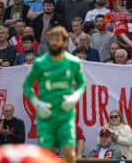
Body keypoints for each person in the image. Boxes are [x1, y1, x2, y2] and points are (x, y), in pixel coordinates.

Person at [23, 26, 86, 163]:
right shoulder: (40, 63)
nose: (54, 43)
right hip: (46, 115)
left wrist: (74, 97)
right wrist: (37, 103)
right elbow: (27, 85)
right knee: (46, 154)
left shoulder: (73, 62)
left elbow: (81, 84)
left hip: (65, 115)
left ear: (64, 42)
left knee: (69, 153)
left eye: (58, 40)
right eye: (52, 40)